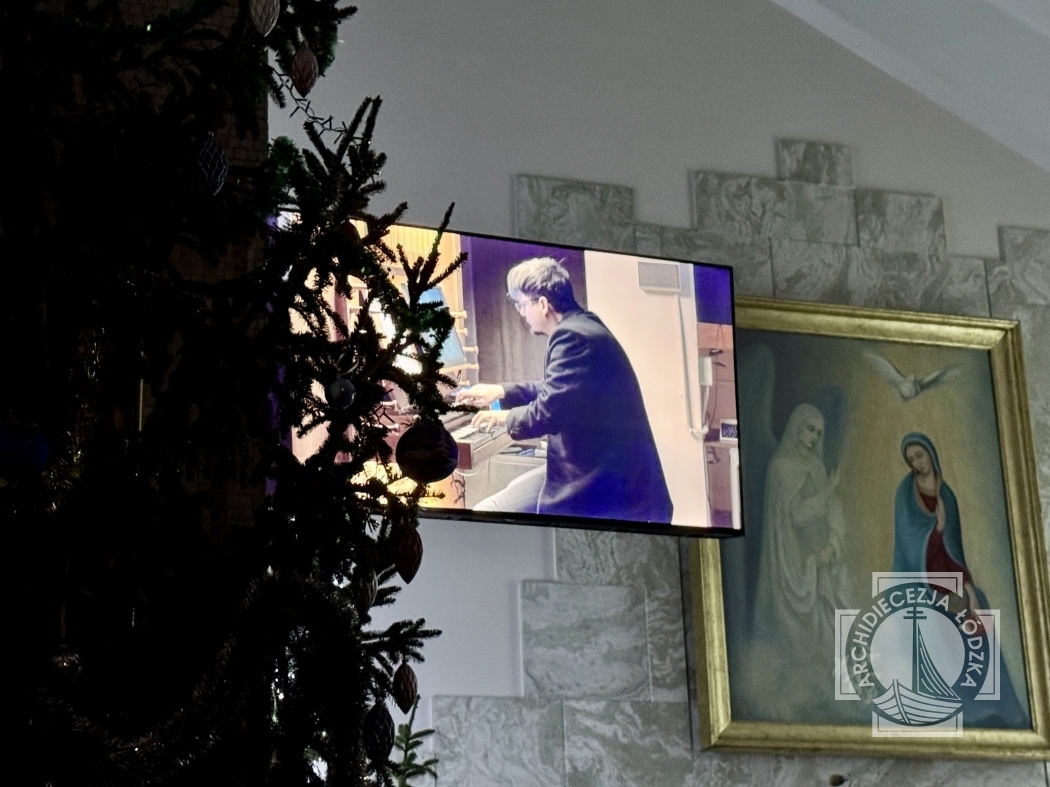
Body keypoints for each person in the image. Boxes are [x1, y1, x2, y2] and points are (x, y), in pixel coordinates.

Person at [455, 257, 672, 523]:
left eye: (522, 304)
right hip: (599, 472)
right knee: (501, 499)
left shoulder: (573, 336)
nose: (521, 312)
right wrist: (501, 391)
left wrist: (502, 417)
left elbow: (548, 412)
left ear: (542, 304)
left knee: (488, 512)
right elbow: (560, 390)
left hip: (612, 488)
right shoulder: (583, 324)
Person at [892, 432, 1029, 727]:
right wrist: (937, 528)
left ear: (931, 453)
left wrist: (970, 592)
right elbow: (909, 544)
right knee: (938, 617)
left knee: (980, 606)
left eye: (920, 455)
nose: (917, 463)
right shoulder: (905, 493)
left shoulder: (947, 496)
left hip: (947, 577)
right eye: (911, 459)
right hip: (917, 580)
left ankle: (996, 701)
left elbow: (955, 551)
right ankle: (955, 704)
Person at [753, 403, 852, 706]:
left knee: (833, 621)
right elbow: (796, 516)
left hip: (820, 562)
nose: (814, 437)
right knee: (804, 635)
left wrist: (832, 546)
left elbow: (832, 510)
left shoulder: (817, 467)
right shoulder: (781, 468)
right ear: (796, 428)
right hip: (793, 566)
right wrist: (828, 491)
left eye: (819, 433)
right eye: (810, 429)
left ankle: (836, 688)